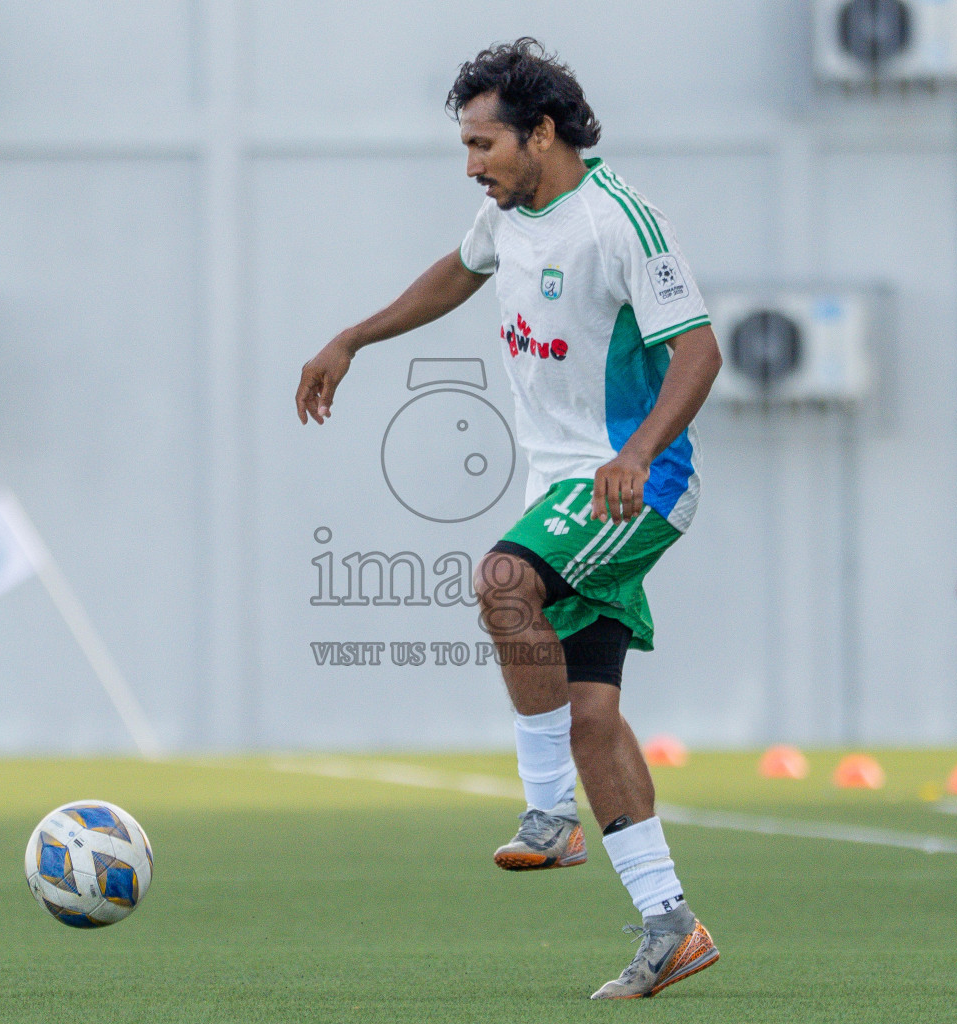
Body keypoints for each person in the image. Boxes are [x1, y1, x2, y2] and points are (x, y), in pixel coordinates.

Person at [296, 39, 722, 998]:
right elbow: (456, 273)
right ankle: (671, 923)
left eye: (484, 143)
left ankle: (549, 819)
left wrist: (638, 452)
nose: (472, 163)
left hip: (635, 485)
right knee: (592, 715)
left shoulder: (621, 223)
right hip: (565, 493)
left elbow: (700, 356)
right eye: (466, 145)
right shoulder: (508, 216)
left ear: (540, 132)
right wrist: (353, 338)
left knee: (501, 583)